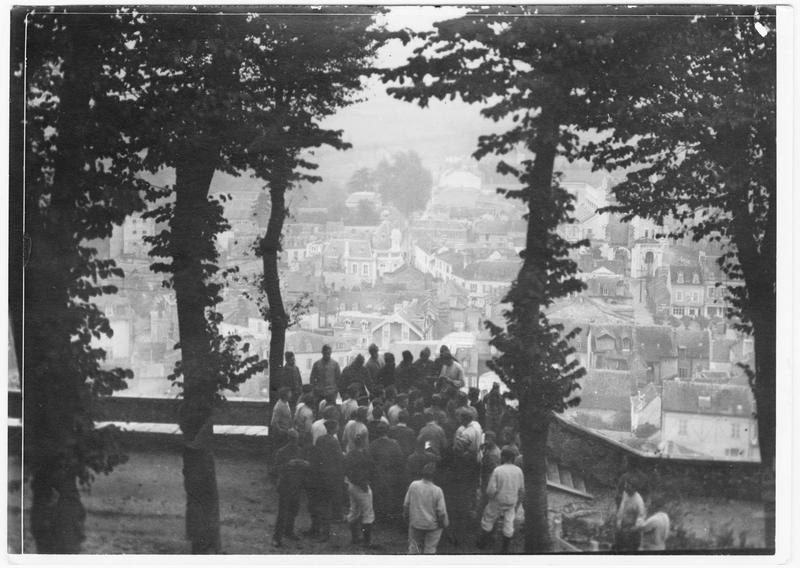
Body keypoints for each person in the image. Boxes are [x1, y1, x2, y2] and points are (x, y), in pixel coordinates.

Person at [477, 446, 525, 554]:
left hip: (498, 500)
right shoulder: (519, 471)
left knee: (488, 518)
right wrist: (517, 503)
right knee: (508, 522)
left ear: (503, 457)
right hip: (511, 501)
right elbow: (522, 489)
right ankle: (505, 548)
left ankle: (483, 543)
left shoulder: (498, 470)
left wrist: (491, 497)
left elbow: (490, 489)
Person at [270, 430, 309, 547]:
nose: (294, 442)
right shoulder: (281, 452)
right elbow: (275, 469)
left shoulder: (300, 451)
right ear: (289, 439)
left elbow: (306, 467)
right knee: (282, 513)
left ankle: (289, 531)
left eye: (296, 440)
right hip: (285, 485)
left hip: (296, 485)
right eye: (292, 439)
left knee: (294, 510)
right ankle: (276, 537)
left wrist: (304, 464)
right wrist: (288, 464)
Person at [308, 419, 344, 541]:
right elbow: (339, 458)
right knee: (327, 504)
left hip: (319, 474)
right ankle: (325, 532)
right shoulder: (334, 442)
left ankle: (315, 527)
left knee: (317, 502)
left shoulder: (320, 440)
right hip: (330, 476)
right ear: (333, 429)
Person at [403, 462, 449, 554]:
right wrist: (443, 524)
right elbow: (442, 512)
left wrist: (406, 518)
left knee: (414, 548)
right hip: (432, 526)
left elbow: (406, 504)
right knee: (430, 548)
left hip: (416, 523)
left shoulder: (414, 485)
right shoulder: (437, 490)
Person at [369, 421, 406, 523]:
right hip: (391, 474)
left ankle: (380, 516)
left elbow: (369, 461)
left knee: (379, 496)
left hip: (378, 475)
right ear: (387, 431)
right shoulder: (394, 444)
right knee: (389, 495)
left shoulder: (373, 445)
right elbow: (400, 459)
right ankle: (387, 517)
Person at [344, 432, 375, 547]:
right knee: (368, 513)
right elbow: (370, 468)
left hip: (351, 485)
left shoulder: (350, 454)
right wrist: (364, 485)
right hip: (361, 486)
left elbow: (347, 470)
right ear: (363, 442)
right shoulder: (364, 455)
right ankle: (367, 542)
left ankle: (355, 537)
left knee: (354, 511)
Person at [615, 476, 646, 551]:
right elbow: (622, 507)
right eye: (625, 485)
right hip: (622, 526)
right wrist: (619, 520)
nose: (625, 487)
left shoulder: (638, 502)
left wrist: (630, 530)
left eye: (628, 486)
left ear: (634, 489)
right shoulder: (625, 493)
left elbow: (640, 520)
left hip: (632, 532)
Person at [270, 387, 293, 451]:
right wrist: (281, 431)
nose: (291, 394)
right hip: (281, 433)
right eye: (289, 393)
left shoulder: (286, 403)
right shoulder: (279, 406)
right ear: (285, 395)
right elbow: (274, 422)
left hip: (286, 430)